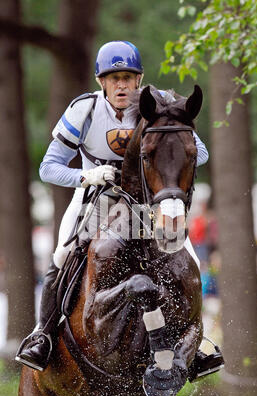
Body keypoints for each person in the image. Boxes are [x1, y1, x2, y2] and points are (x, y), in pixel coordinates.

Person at [15, 40, 209, 372]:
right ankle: (42, 335)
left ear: (139, 79)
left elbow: (200, 153)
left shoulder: (157, 104)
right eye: (113, 78)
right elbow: (47, 168)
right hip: (96, 200)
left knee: (186, 257)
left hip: (147, 206)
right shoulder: (85, 110)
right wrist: (87, 176)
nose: (121, 85)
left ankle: (197, 346)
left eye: (128, 77)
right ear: (101, 81)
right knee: (62, 256)